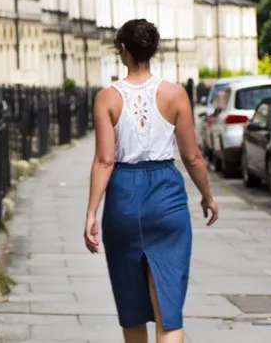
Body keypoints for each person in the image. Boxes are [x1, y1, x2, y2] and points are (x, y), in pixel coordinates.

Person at [83, 19, 218, 343]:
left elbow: (105, 160)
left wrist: (91, 213)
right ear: (153, 51)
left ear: (123, 50)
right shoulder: (175, 94)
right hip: (166, 197)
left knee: (131, 311)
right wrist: (207, 196)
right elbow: (193, 157)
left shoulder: (107, 98)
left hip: (123, 198)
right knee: (168, 313)